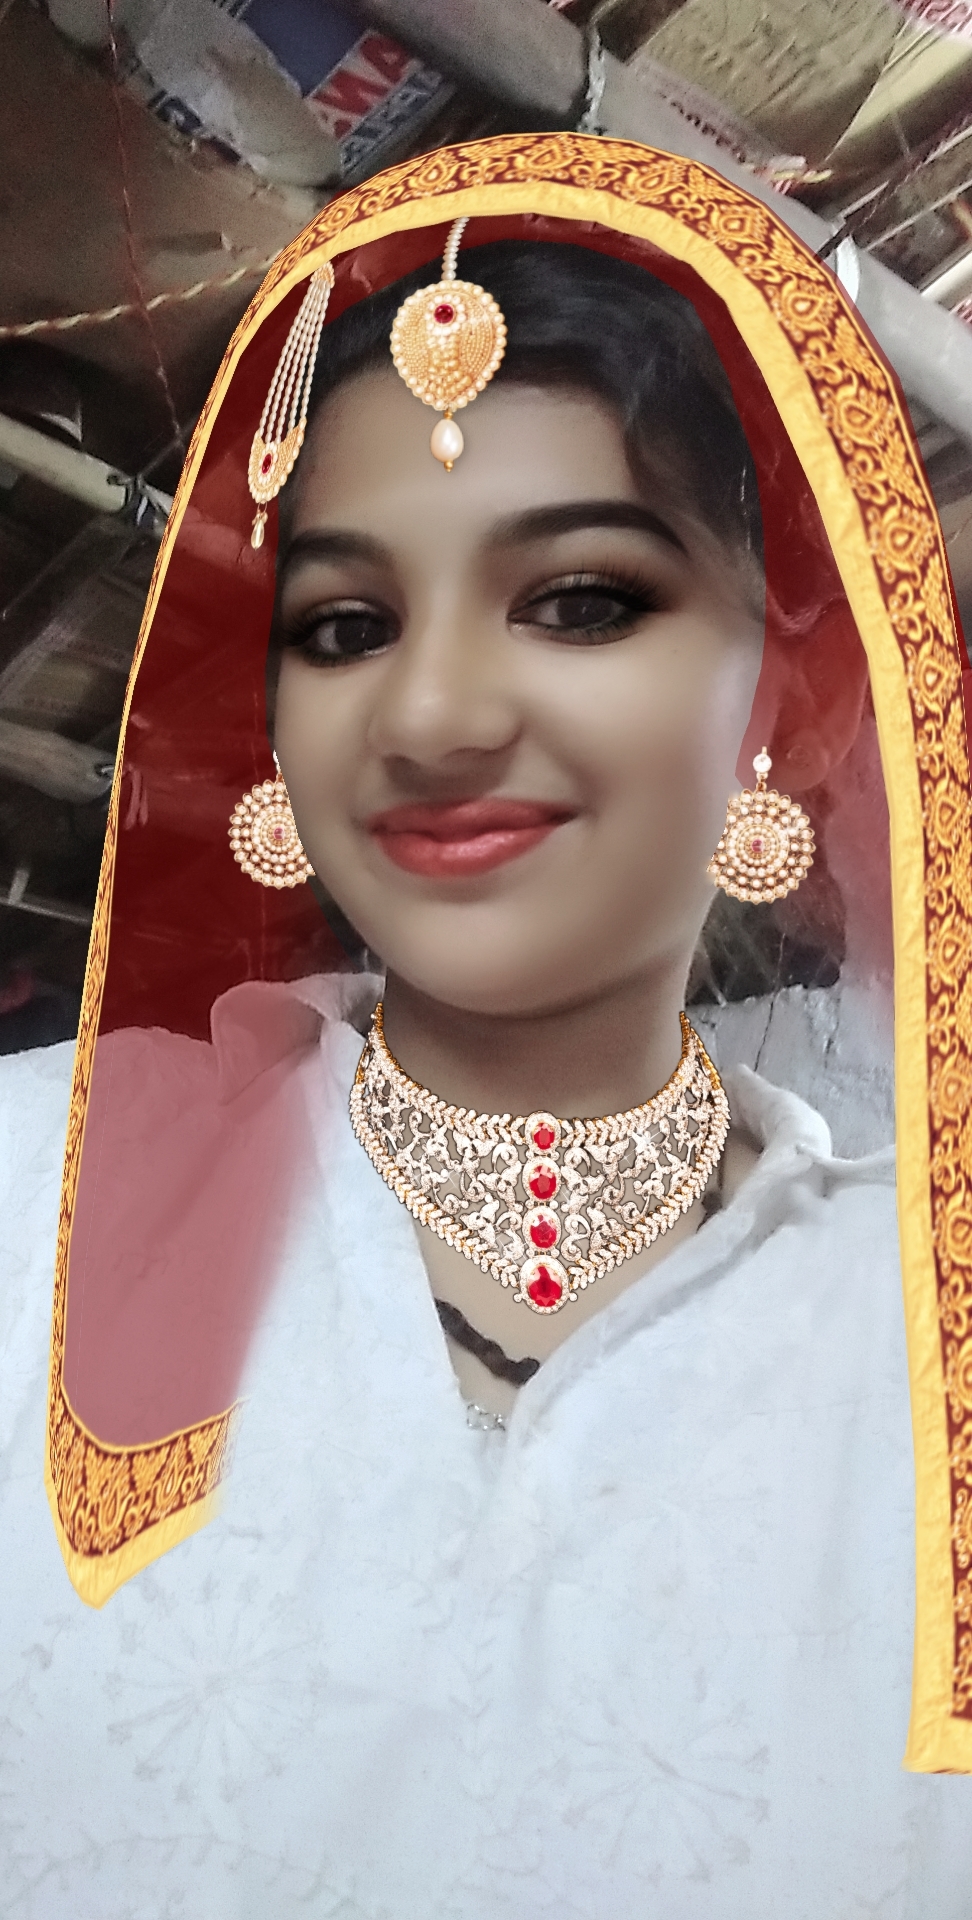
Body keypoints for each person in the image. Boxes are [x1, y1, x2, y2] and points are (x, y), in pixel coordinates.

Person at [2, 132, 971, 1916]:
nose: (434, 713)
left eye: (582, 599)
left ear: (785, 692)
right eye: (346, 625)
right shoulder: (24, 1195)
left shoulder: (926, 1338)